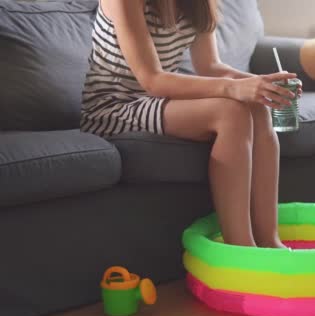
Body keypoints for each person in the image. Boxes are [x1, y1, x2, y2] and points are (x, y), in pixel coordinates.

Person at [81, 0, 300, 247]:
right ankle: (241, 247)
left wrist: (264, 86)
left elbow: (210, 66)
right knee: (231, 112)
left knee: (259, 106)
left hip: (157, 99)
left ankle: (270, 241)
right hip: (113, 108)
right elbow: (152, 79)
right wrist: (236, 89)